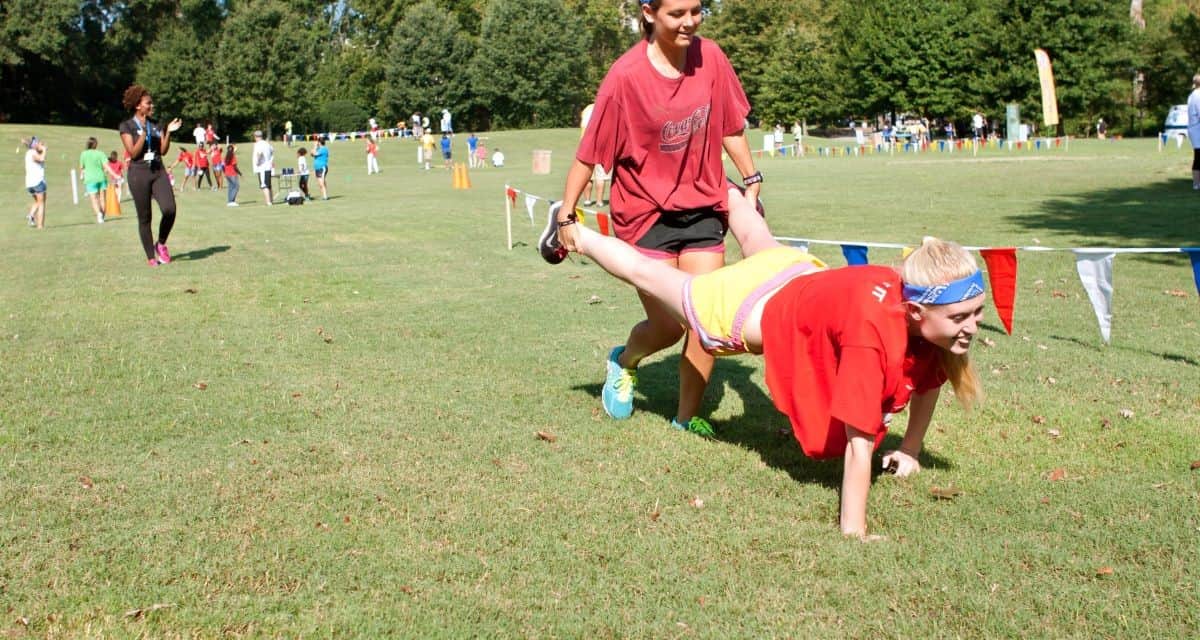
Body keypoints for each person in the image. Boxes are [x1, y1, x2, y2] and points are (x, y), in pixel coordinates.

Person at [541, 188, 986, 539]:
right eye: (961, 316)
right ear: (915, 313)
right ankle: (572, 231)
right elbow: (858, 443)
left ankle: (730, 192)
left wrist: (909, 451)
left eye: (977, 312)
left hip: (795, 271)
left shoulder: (909, 299)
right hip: (747, 308)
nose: (973, 326)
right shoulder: (875, 337)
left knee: (759, 242)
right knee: (651, 275)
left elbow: (931, 377)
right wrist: (855, 531)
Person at [549, 0, 762, 436]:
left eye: (696, 10)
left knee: (706, 319)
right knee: (668, 326)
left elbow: (730, 126)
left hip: (704, 204)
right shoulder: (625, 78)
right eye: (676, 13)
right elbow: (588, 154)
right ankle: (623, 361)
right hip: (645, 213)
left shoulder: (712, 58)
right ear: (648, 13)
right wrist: (567, 215)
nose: (689, 22)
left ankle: (685, 419)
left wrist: (751, 177)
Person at [118, 84, 183, 266]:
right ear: (138, 105)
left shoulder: (156, 124)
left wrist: (168, 132)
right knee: (145, 217)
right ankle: (151, 257)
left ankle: (161, 244)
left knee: (170, 209)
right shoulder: (127, 126)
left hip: (158, 171)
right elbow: (133, 153)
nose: (152, 106)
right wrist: (143, 132)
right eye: (149, 103)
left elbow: (162, 150)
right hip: (138, 174)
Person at [79, 137, 115, 224]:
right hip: (101, 177)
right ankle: (102, 216)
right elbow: (106, 166)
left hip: (90, 179)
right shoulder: (100, 153)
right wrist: (114, 174)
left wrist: (82, 174)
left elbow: (82, 167)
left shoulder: (83, 154)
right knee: (102, 198)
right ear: (96, 144)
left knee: (94, 199)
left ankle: (99, 215)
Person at [23, 137, 47, 229]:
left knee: (37, 201)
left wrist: (42, 149)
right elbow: (41, 159)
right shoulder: (32, 153)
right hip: (38, 182)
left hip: (30, 183)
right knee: (42, 203)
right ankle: (40, 226)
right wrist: (44, 150)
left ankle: (31, 215)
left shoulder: (30, 152)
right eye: (40, 143)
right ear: (34, 145)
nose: (42, 145)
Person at [252, 129, 274, 206]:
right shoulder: (267, 143)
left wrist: (258, 162)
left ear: (256, 136)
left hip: (262, 167)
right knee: (269, 185)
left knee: (264, 185)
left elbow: (259, 153)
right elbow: (272, 151)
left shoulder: (258, 144)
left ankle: (268, 202)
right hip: (268, 166)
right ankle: (271, 200)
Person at [1188, 74, 1200, 190]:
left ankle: (1196, 183)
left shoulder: (1192, 95)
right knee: (1198, 157)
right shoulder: (1198, 96)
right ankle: (1196, 184)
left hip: (1194, 129)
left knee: (1198, 156)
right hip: (1198, 130)